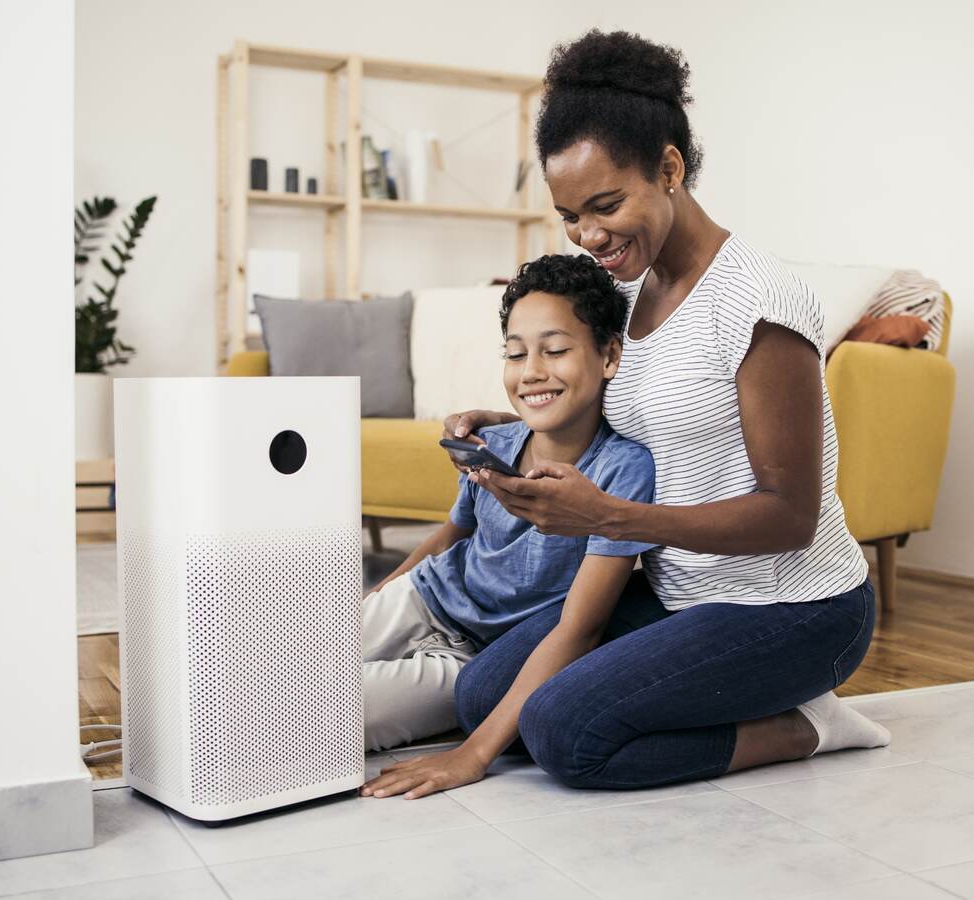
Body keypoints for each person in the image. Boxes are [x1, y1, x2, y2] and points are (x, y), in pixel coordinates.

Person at [369, 29, 891, 800]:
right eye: (570, 215)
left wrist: (611, 519)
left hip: (791, 607)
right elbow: (594, 394)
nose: (589, 236)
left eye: (606, 205)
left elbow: (790, 516)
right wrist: (502, 420)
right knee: (483, 693)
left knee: (564, 736)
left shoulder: (760, 307)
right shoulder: (623, 293)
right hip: (676, 590)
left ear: (670, 167)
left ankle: (807, 725)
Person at [356, 254, 656, 783]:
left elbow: (581, 627)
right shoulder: (491, 443)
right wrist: (381, 597)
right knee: (290, 655)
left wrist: (473, 756)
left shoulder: (623, 471)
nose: (532, 371)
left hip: (475, 659)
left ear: (609, 354)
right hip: (424, 600)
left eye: (556, 350)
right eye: (515, 354)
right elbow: (454, 534)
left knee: (325, 711)